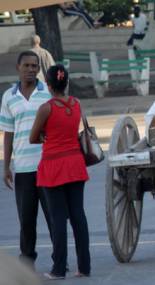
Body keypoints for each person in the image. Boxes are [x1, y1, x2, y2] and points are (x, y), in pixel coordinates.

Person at [29, 65, 90, 279]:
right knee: (78, 216)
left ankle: (58, 269)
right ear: (66, 83)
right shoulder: (76, 104)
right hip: (75, 163)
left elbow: (33, 137)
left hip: (53, 166)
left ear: (48, 84)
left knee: (58, 218)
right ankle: (84, 267)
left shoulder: (46, 108)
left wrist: (46, 135)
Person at [0, 50, 52, 266]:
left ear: (39, 69)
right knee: (26, 220)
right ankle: (27, 261)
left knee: (54, 218)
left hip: (48, 167)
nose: (31, 69)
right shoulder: (8, 97)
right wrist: (6, 167)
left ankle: (60, 260)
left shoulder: (47, 94)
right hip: (22, 169)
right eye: (27, 65)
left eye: (35, 66)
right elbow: (8, 133)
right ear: (18, 68)